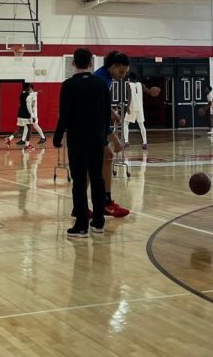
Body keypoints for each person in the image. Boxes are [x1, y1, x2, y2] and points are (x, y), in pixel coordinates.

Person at [54, 48, 112, 237]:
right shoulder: (101, 84)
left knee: (79, 181)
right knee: (97, 178)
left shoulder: (68, 85)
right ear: (91, 63)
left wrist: (57, 136)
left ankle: (81, 225)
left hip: (77, 138)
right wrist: (104, 137)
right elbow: (106, 113)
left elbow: (65, 114)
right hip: (97, 137)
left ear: (73, 63)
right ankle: (99, 221)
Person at [93, 52, 132, 218]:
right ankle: (106, 203)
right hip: (91, 125)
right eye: (121, 72)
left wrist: (111, 112)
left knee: (97, 162)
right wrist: (114, 138)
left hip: (89, 124)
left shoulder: (103, 77)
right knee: (105, 157)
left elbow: (99, 105)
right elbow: (96, 111)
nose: (122, 76)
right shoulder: (102, 80)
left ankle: (85, 205)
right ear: (113, 66)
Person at [6, 83, 46, 148]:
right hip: (26, 114)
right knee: (29, 129)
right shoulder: (29, 95)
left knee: (21, 129)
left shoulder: (22, 93)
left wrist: (37, 92)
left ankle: (10, 138)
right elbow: (30, 105)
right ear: (28, 88)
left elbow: (32, 94)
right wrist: (32, 115)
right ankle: (27, 144)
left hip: (20, 114)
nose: (30, 88)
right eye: (29, 87)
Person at [122, 73, 148, 149]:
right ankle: (145, 143)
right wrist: (152, 92)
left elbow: (130, 96)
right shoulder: (141, 85)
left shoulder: (129, 85)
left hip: (132, 107)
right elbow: (148, 91)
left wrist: (127, 107)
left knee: (125, 123)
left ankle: (126, 141)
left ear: (130, 78)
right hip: (140, 108)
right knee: (141, 125)